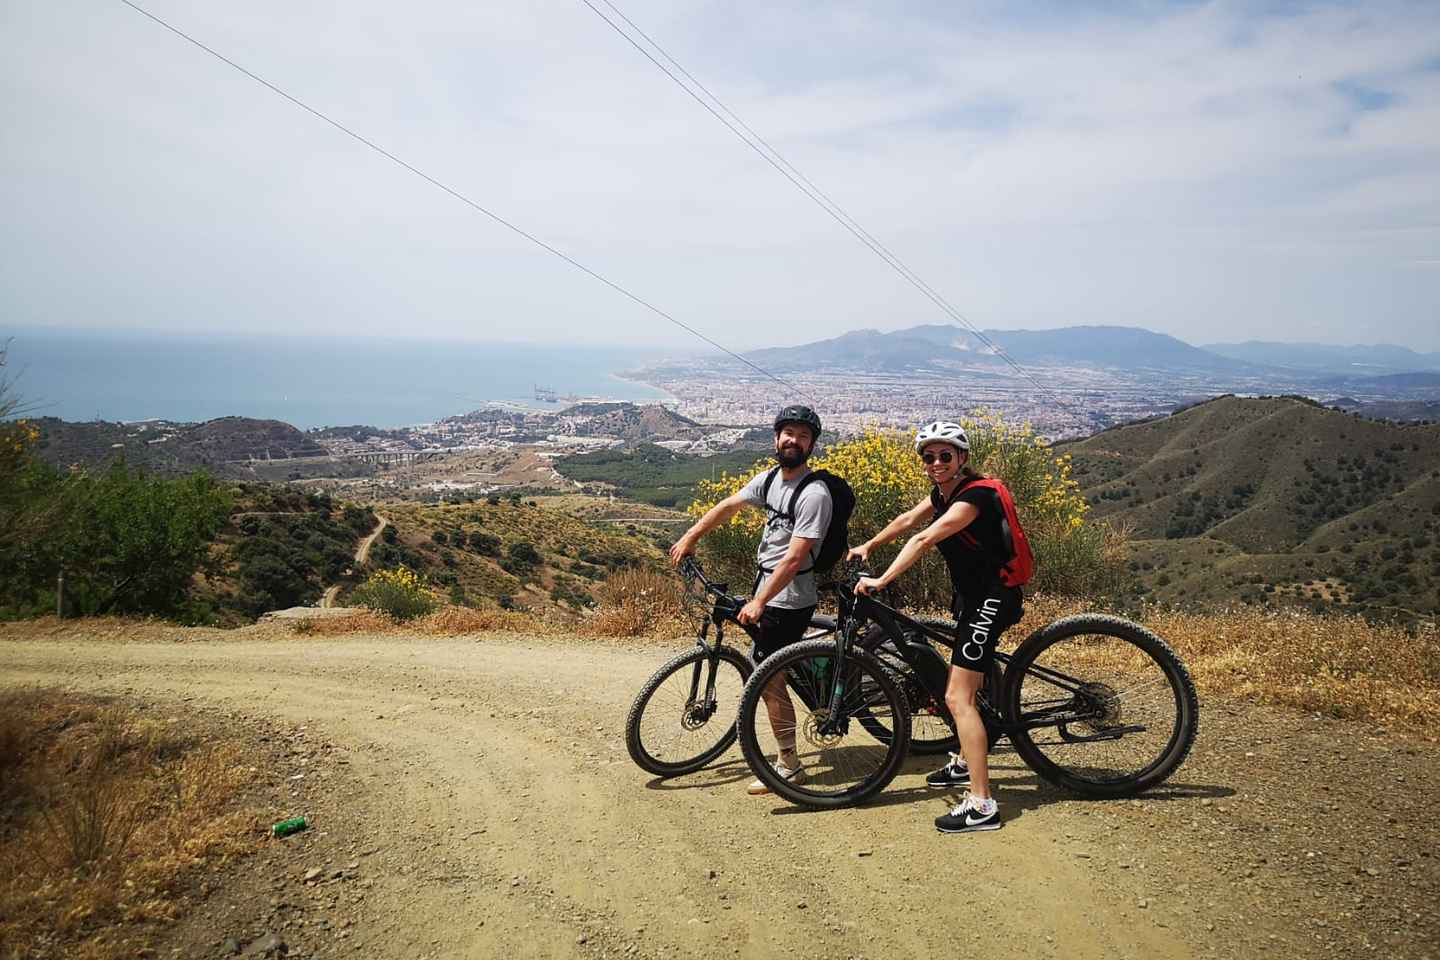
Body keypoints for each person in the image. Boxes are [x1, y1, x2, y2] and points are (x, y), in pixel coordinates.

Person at [848, 421, 1024, 833]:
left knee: (957, 696)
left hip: (993, 598)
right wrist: (869, 545)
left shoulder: (974, 495)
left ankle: (982, 805)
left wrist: (881, 580)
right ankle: (966, 760)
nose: (937, 463)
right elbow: (909, 519)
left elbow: (924, 539)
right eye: (929, 457)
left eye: (946, 455)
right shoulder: (941, 494)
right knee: (969, 687)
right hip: (973, 599)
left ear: (962, 458)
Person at [668, 405, 833, 795]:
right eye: (787, 432)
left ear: (811, 445)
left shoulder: (815, 494)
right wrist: (691, 537)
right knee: (776, 666)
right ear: (776, 438)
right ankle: (811, 686)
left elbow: (794, 558)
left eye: (803, 435)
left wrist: (759, 600)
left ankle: (789, 765)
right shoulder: (772, 478)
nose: (793, 440)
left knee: (770, 679)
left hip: (788, 598)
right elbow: (730, 506)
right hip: (769, 588)